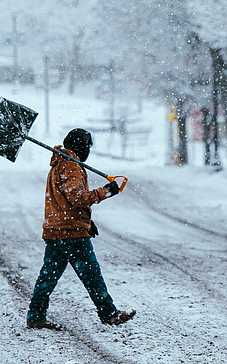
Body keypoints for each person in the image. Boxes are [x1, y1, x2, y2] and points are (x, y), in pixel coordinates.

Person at [26, 128, 135, 329]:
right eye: (88, 147)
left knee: (48, 276)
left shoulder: (59, 164)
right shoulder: (71, 167)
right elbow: (77, 198)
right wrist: (106, 191)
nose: (88, 151)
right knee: (92, 275)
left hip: (57, 230)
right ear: (81, 147)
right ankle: (109, 314)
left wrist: (86, 221)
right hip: (71, 234)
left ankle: (36, 315)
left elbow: (63, 202)